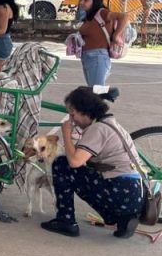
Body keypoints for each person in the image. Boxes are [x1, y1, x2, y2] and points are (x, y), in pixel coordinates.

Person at [41, 86, 144, 239]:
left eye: (73, 114)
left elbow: (75, 162)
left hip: (119, 190)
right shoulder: (111, 123)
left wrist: (66, 135)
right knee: (81, 170)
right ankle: (123, 218)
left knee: (62, 164)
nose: (72, 120)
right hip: (133, 193)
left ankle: (66, 221)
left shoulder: (98, 129)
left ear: (84, 111)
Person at [76, 0, 130, 87]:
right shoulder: (88, 17)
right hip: (87, 57)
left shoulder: (102, 13)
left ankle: (106, 95)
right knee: (93, 90)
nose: (81, 2)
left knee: (97, 90)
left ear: (95, 1)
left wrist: (116, 35)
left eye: (86, 0)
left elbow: (124, 17)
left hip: (98, 57)